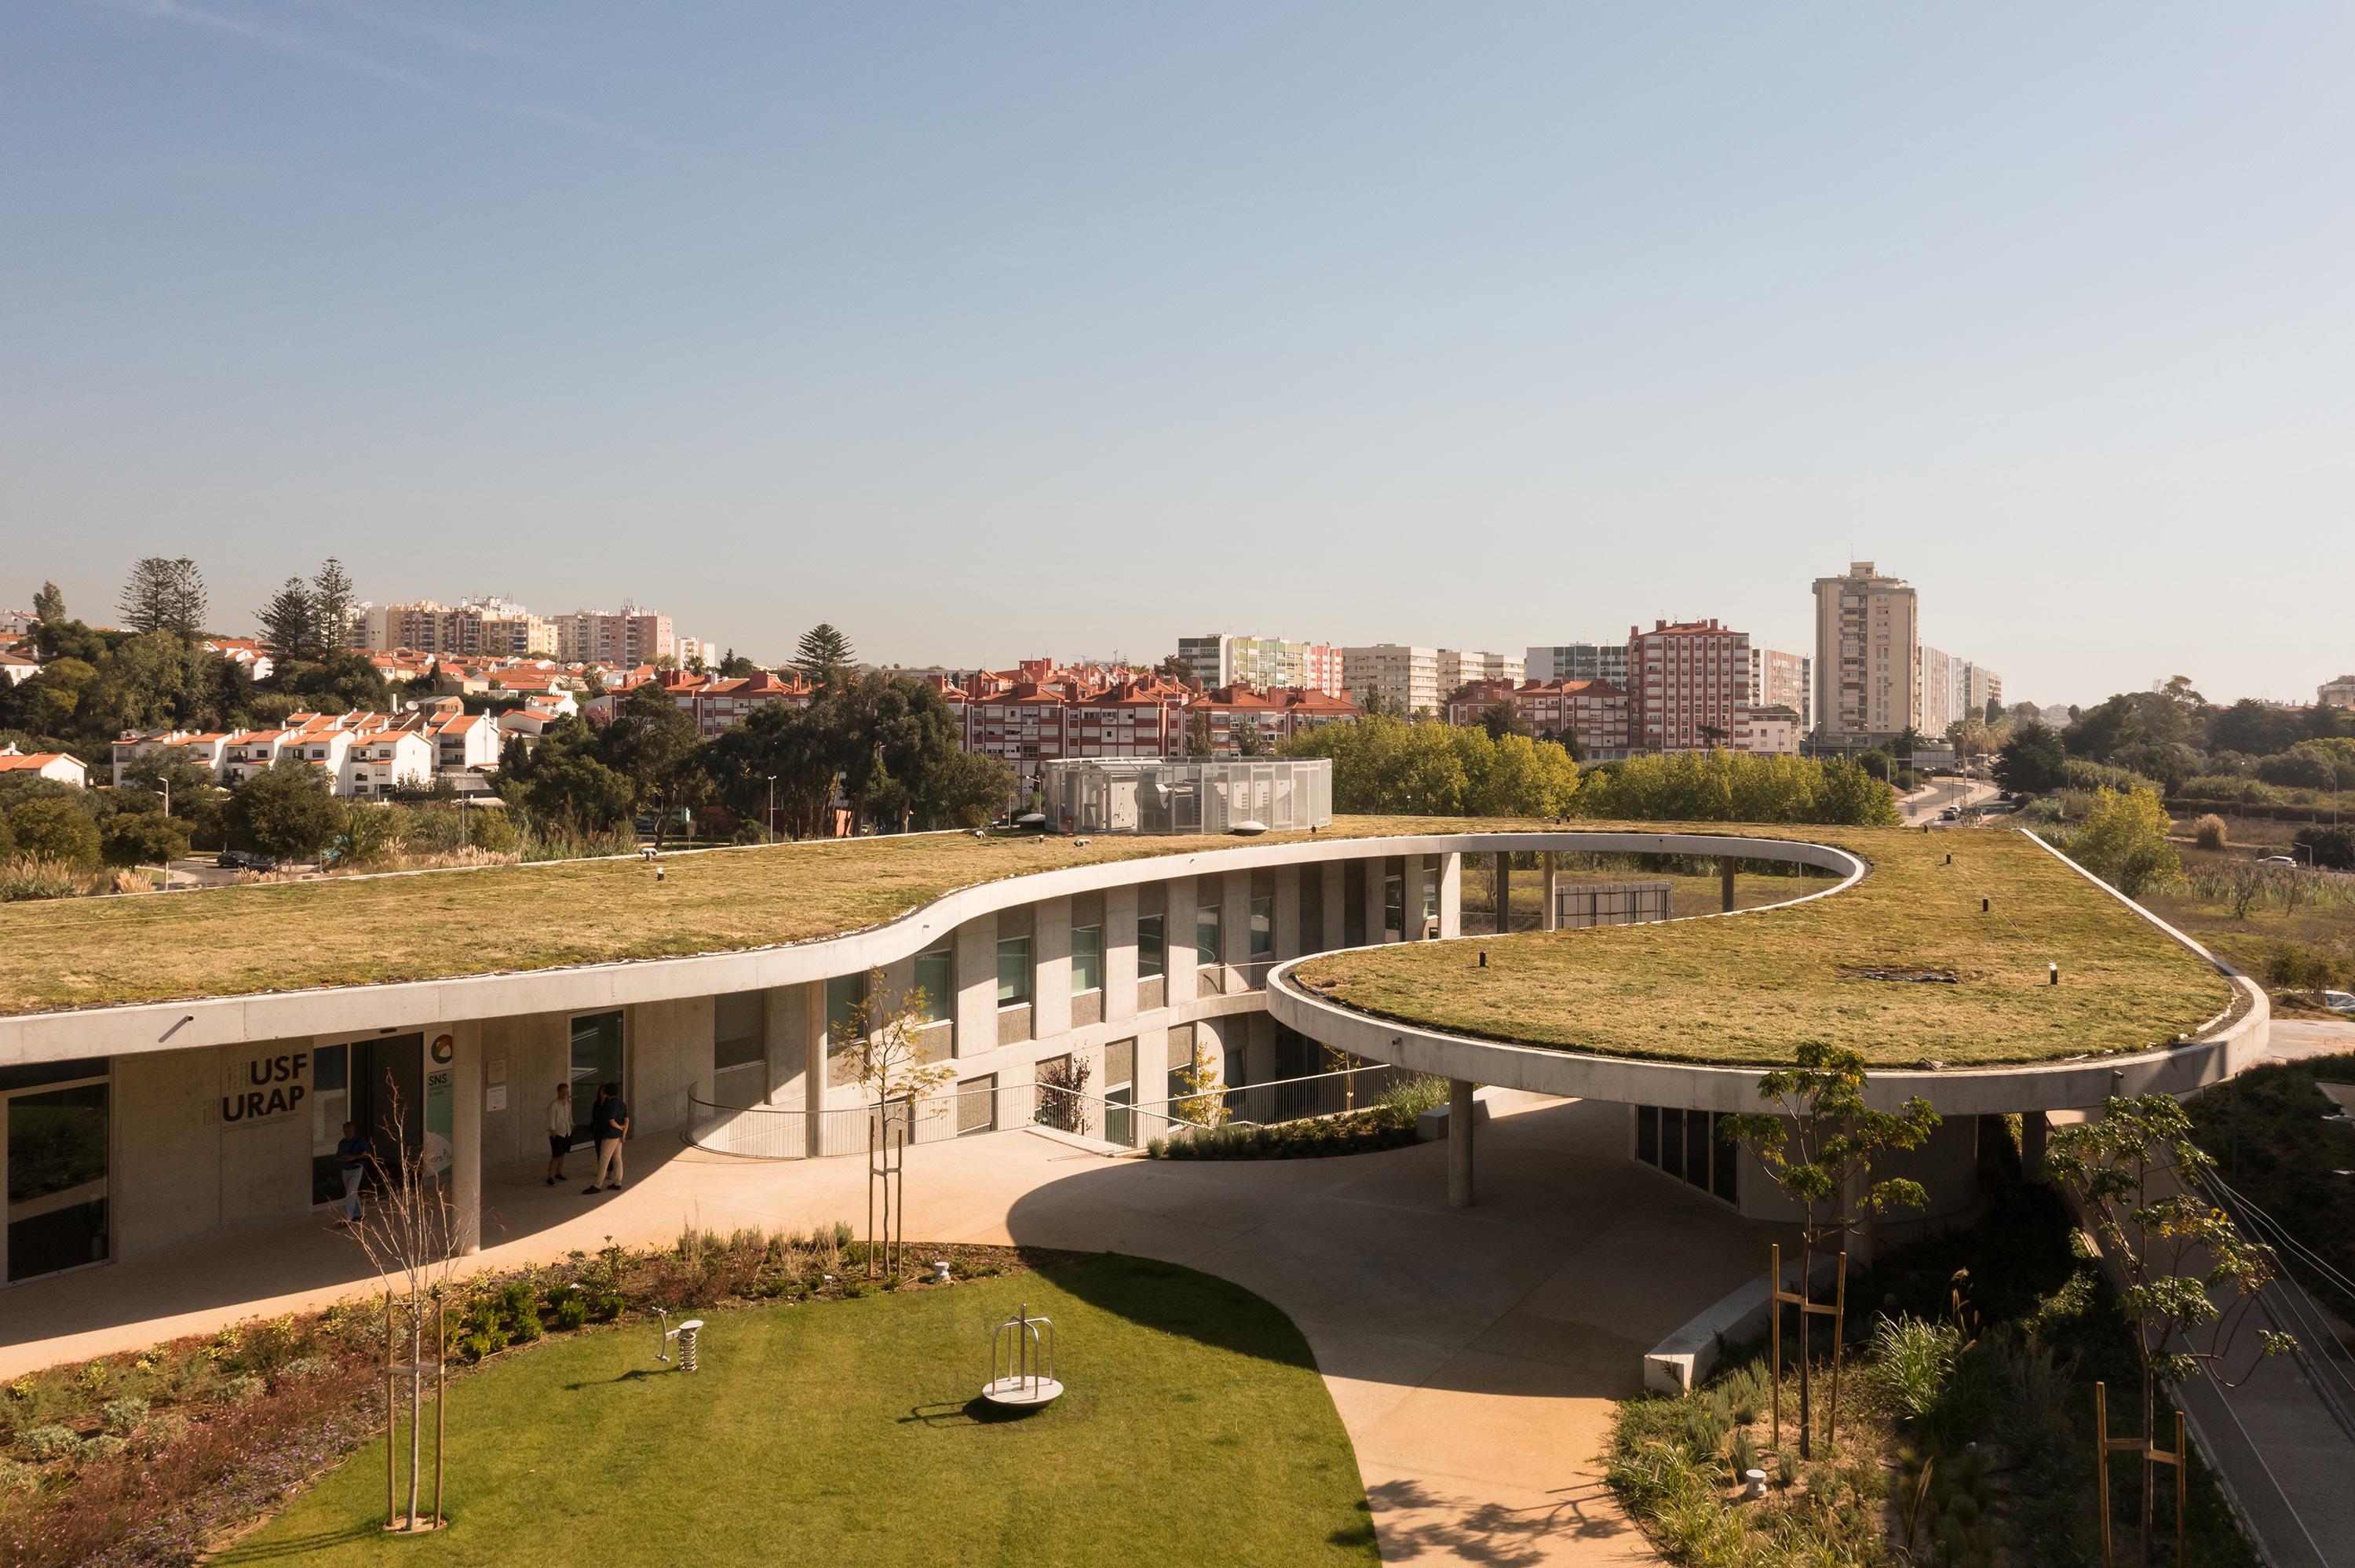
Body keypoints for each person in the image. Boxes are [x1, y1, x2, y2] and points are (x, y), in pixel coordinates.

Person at [584, 1083, 630, 1194]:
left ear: (607, 1093)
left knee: (603, 1160)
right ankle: (617, 1183)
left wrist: (619, 1127)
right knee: (618, 1159)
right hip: (618, 1137)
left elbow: (611, 1121)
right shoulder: (621, 1104)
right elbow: (627, 1119)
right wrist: (623, 1134)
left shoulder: (609, 1105)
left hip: (610, 1136)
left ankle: (597, 1185)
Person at [334, 1121, 371, 1226]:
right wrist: (342, 1158)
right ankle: (359, 1214)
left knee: (350, 1194)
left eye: (350, 1130)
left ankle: (349, 1218)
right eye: (346, 1130)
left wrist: (354, 1157)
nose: (348, 1132)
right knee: (352, 1193)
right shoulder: (342, 1142)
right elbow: (338, 1155)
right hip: (345, 1170)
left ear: (354, 1130)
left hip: (356, 1169)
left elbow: (368, 1155)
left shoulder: (360, 1141)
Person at [546, 1081, 573, 1187]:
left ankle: (558, 1173)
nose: (565, 1094)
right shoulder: (553, 1105)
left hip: (567, 1132)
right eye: (562, 1092)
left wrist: (571, 1124)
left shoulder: (567, 1104)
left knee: (563, 1155)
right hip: (557, 1134)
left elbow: (569, 1116)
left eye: (566, 1092)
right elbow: (551, 1120)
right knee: (556, 1156)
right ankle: (550, 1177)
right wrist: (553, 1132)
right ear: (558, 1092)